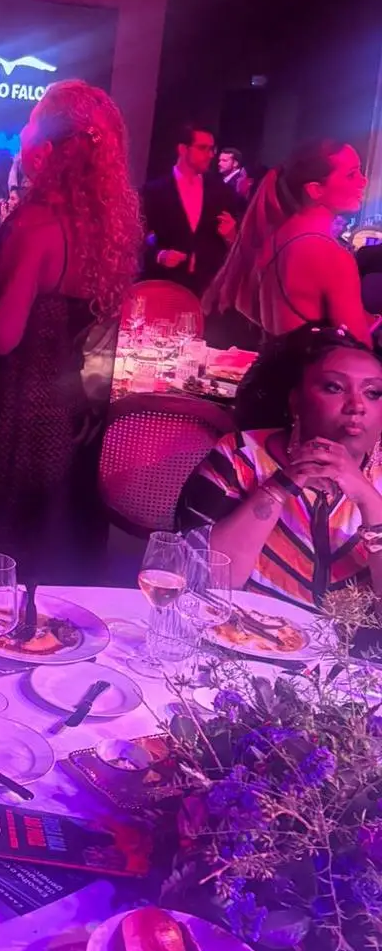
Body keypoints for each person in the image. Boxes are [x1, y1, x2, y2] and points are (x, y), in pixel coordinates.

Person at [0, 80, 142, 577]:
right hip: (69, 417)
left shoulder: (39, 225)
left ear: (47, 144)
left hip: (9, 416)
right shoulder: (103, 228)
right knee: (44, 555)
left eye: (30, 120)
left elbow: (4, 335)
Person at [178, 326, 382, 610]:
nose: (357, 405)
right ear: (296, 401)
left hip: (352, 640)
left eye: (373, 392)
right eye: (334, 387)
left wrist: (368, 499)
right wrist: (281, 486)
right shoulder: (242, 456)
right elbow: (200, 580)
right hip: (242, 631)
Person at [206, 141, 371, 346]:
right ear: (315, 190)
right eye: (351, 175)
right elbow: (358, 349)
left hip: (271, 364)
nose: (363, 181)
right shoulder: (331, 255)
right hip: (311, 367)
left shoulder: (273, 240)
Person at [142, 122, 238, 296]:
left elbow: (242, 244)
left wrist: (231, 236)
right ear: (182, 149)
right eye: (202, 148)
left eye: (212, 149)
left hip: (207, 290)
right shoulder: (154, 191)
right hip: (164, 287)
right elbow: (135, 241)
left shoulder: (222, 192)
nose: (210, 155)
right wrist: (159, 255)